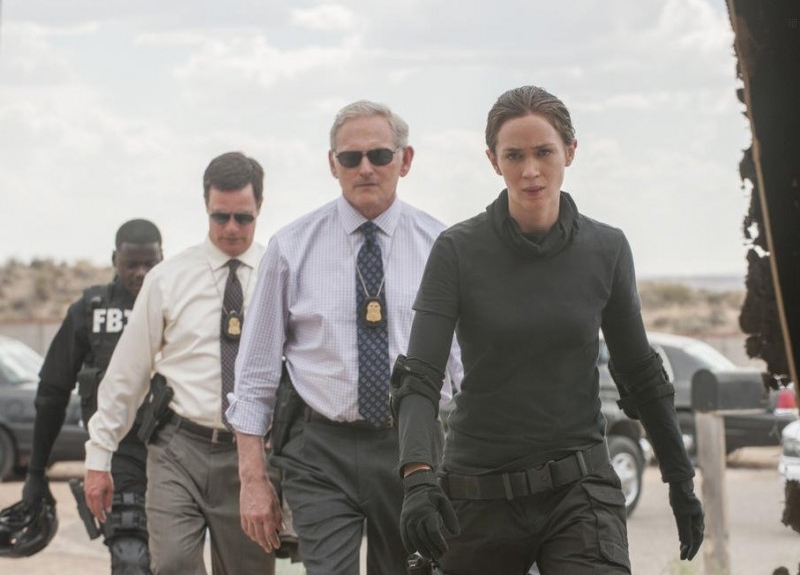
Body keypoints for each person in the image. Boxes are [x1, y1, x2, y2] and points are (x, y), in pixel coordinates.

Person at [392, 85, 705, 574]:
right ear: (494, 161)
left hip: (580, 489)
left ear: (570, 152)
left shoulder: (606, 249)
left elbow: (640, 373)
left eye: (544, 152)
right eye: (514, 155)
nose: (530, 170)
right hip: (479, 491)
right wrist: (417, 477)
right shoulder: (457, 251)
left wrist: (680, 480)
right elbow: (419, 377)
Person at [226, 100, 462, 575]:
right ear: (333, 164)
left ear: (405, 160)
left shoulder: (442, 247)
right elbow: (253, 377)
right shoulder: (291, 248)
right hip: (320, 452)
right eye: (351, 158)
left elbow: (464, 369)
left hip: (412, 449)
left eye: (379, 155)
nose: (365, 168)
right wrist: (252, 480)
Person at [83, 152, 275, 575]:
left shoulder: (278, 275)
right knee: (172, 563)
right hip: (177, 448)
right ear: (206, 205)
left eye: (243, 217)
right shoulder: (167, 279)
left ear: (260, 206)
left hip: (251, 455)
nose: (230, 228)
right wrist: (99, 457)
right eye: (220, 216)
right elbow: (127, 374)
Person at [0, 219, 162, 572]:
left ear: (162, 259)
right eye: (131, 264)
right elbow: (51, 395)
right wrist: (36, 473)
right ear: (115, 260)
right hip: (117, 456)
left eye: (149, 264)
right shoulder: (91, 312)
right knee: (131, 558)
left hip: (175, 453)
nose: (140, 273)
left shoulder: (180, 306)